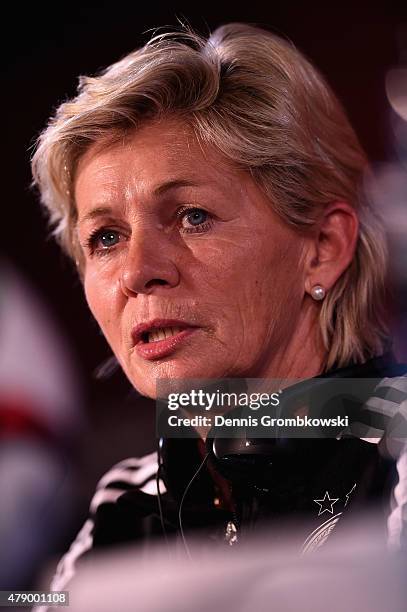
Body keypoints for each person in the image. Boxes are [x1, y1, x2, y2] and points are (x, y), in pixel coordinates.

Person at [31, 22, 407, 597]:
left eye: (193, 217)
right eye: (106, 237)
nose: (137, 272)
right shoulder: (126, 505)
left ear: (323, 250)